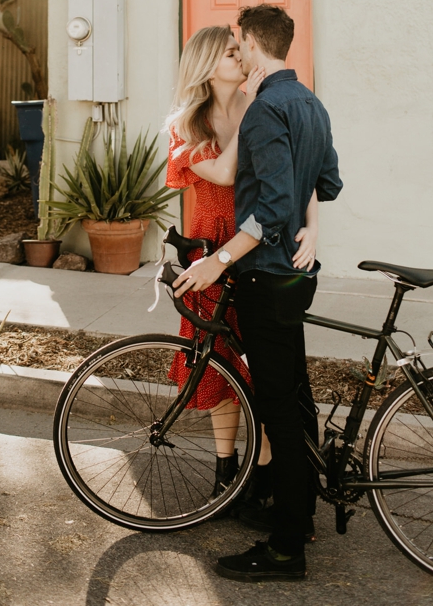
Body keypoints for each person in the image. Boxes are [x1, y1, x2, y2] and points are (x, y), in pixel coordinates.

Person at [173, 4, 341, 583]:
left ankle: (286, 546)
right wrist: (310, 224)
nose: (233, 48)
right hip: (295, 275)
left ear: (252, 41)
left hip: (264, 272)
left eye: (236, 39)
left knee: (279, 411)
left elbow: (268, 211)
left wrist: (219, 262)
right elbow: (330, 180)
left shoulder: (266, 108)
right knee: (295, 398)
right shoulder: (309, 103)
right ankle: (302, 512)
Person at [162, 26, 321, 509]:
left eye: (240, 49)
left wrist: (313, 227)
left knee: (267, 370)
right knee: (219, 365)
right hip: (213, 254)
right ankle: (226, 469)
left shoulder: (267, 108)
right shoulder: (185, 126)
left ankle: (268, 473)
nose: (243, 59)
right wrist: (251, 111)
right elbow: (227, 173)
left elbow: (299, 174)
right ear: (210, 66)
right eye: (232, 53)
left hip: (263, 248)